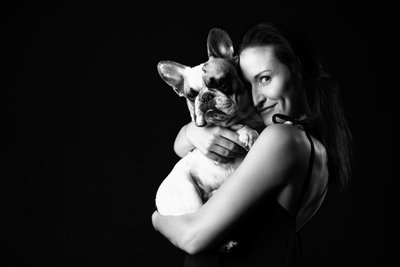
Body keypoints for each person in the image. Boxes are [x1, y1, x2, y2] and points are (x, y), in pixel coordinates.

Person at [151, 20, 353, 266]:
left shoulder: (281, 138)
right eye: (247, 84)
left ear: (298, 72)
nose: (255, 97)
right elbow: (183, 147)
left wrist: (156, 219)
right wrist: (191, 132)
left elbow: (193, 237)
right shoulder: (310, 145)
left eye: (265, 79)